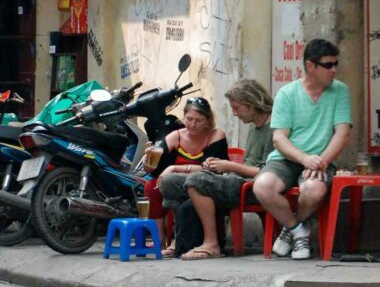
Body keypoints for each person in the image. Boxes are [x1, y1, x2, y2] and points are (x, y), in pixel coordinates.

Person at [254, 39, 352, 260]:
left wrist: (321, 161)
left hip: (322, 160)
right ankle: (299, 231)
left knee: (314, 190)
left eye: (335, 64)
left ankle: (289, 231)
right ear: (310, 66)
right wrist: (305, 159)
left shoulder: (340, 91)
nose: (334, 70)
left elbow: (342, 134)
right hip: (287, 158)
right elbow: (279, 139)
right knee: (262, 186)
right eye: (328, 65)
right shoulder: (287, 93)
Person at [158, 79, 275, 259]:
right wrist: (217, 165)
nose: (234, 113)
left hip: (255, 187)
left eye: (237, 108)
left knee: (197, 180)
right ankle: (180, 240)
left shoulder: (273, 129)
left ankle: (212, 243)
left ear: (252, 104)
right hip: (235, 180)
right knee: (169, 182)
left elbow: (267, 172)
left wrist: (228, 165)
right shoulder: (254, 127)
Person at [142, 96, 228, 256]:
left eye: (198, 120)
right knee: (151, 186)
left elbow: (211, 168)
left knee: (173, 182)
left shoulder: (216, 135)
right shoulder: (176, 136)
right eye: (189, 119)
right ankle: (159, 238)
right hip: (176, 183)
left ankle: (178, 239)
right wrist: (149, 158)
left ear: (208, 121)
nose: (192, 124)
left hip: (205, 183)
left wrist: (175, 168)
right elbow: (152, 170)